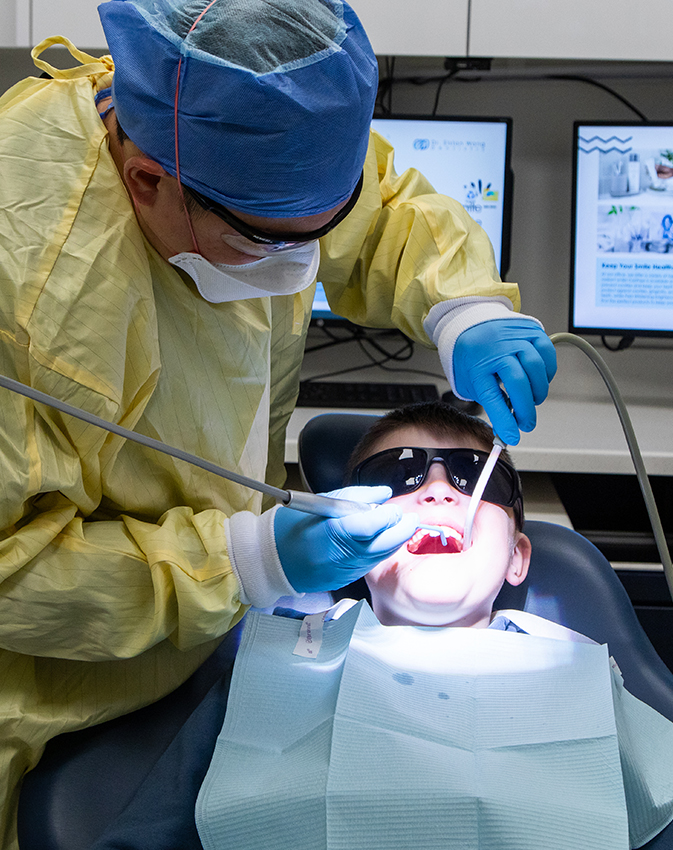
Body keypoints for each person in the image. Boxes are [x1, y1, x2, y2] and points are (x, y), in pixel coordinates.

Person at [0, 1, 556, 845]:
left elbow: (377, 211)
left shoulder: (246, 133)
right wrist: (246, 559)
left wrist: (461, 307)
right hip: (53, 684)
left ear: (523, 552)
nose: (303, 267)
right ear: (147, 180)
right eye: (267, 243)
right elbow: (13, 570)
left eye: (322, 231)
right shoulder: (32, 303)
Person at [88, 401, 673, 850]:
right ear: (348, 546)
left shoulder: (580, 676)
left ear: (519, 556)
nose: (439, 490)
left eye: (473, 477)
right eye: (399, 477)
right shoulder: (278, 673)